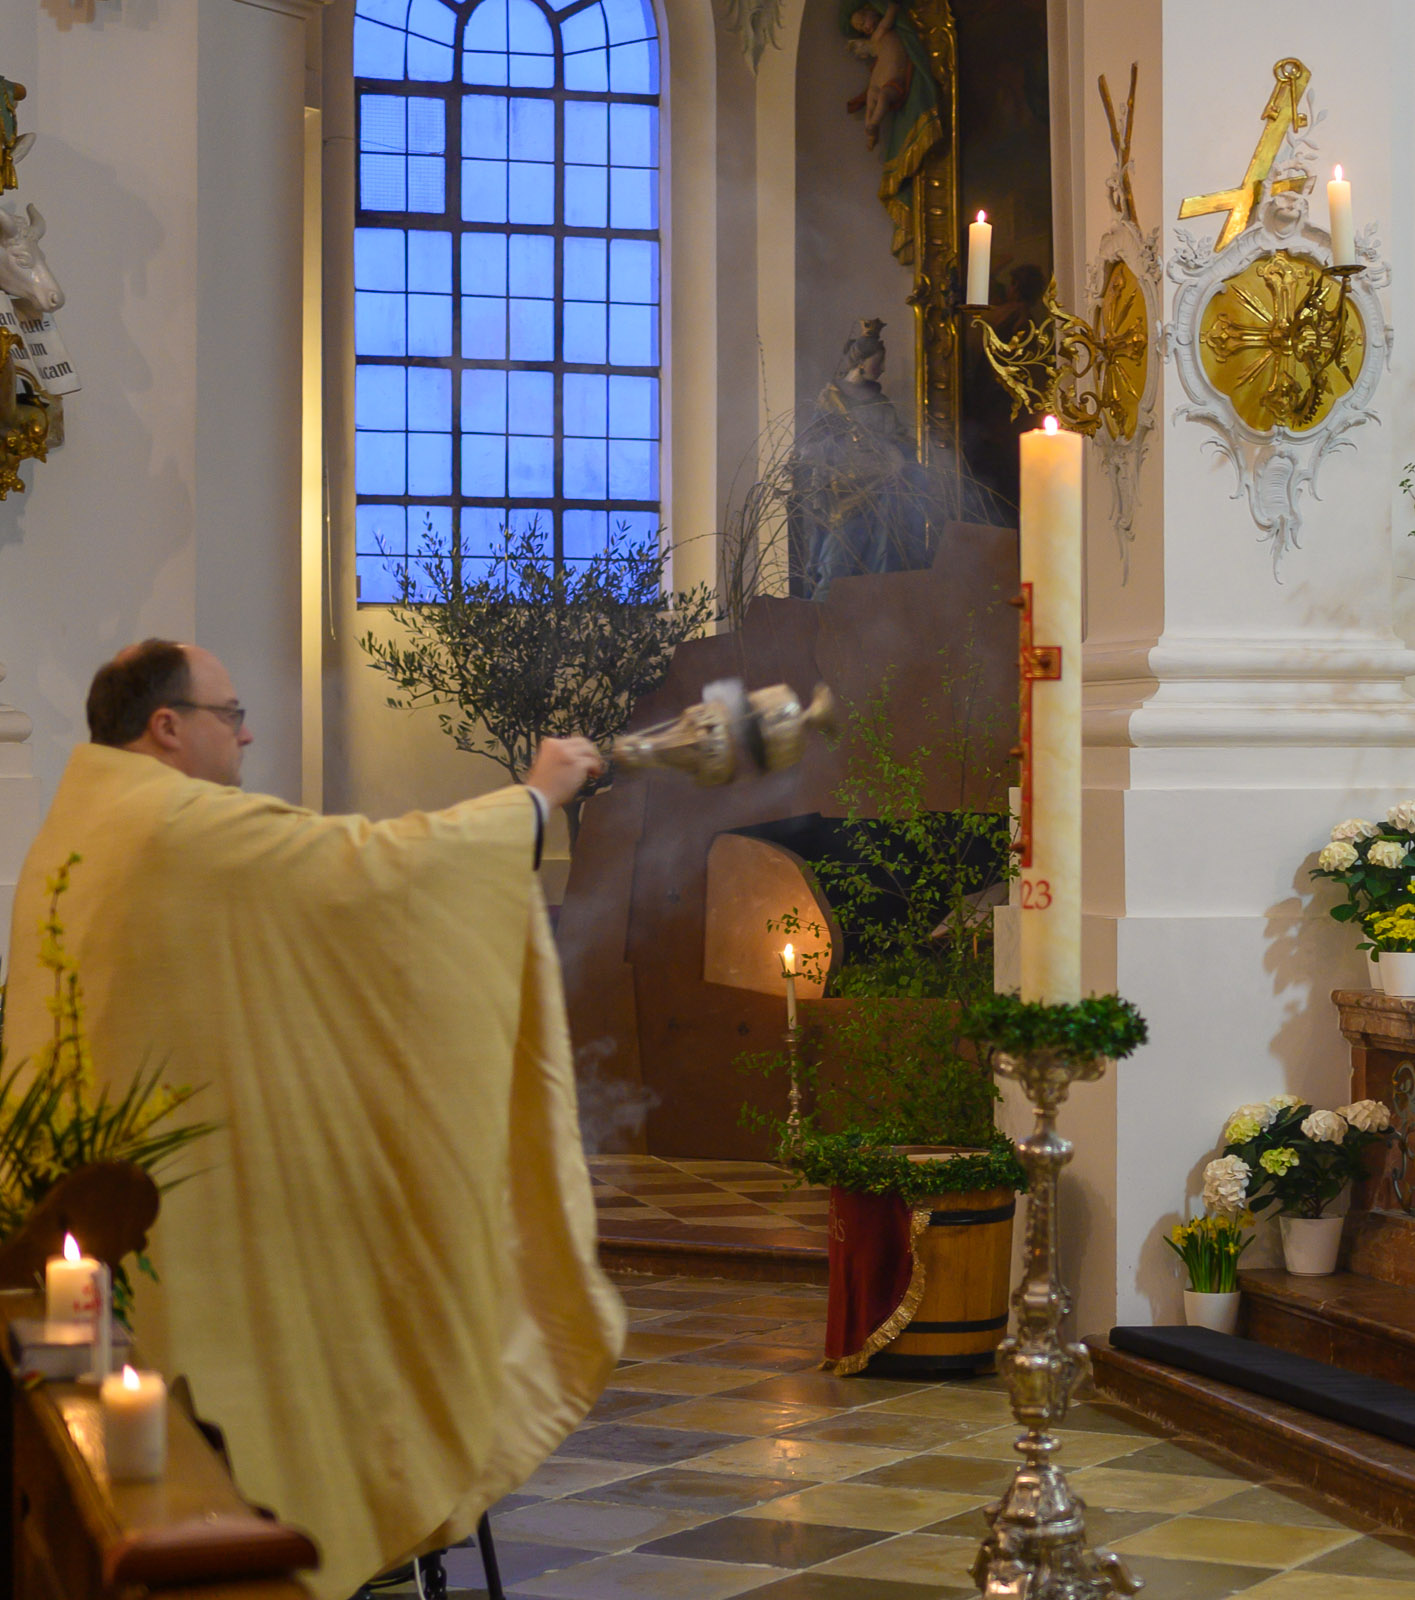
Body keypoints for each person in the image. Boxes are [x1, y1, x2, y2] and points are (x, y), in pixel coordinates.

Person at [3, 639, 625, 1600]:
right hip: (181, 1223)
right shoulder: (174, 826)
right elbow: (374, 872)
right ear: (166, 726)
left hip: (85, 1226)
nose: (245, 731)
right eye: (229, 712)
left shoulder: (81, 823)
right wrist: (534, 802)